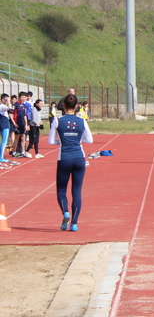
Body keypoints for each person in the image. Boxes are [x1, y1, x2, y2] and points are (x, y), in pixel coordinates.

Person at [49, 93, 93, 231]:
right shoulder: (82, 121)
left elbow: (50, 141)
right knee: (77, 191)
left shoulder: (57, 120)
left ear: (63, 106)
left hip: (65, 158)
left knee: (61, 190)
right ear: (77, 106)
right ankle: (74, 223)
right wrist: (78, 140)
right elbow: (90, 140)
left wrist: (61, 141)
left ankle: (65, 213)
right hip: (79, 158)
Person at [0, 94, 11, 164]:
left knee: (3, 141)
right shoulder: (2, 106)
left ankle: (1, 156)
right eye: (6, 100)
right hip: (4, 125)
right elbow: (10, 107)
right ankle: (1, 157)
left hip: (3, 124)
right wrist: (9, 101)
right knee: (4, 141)